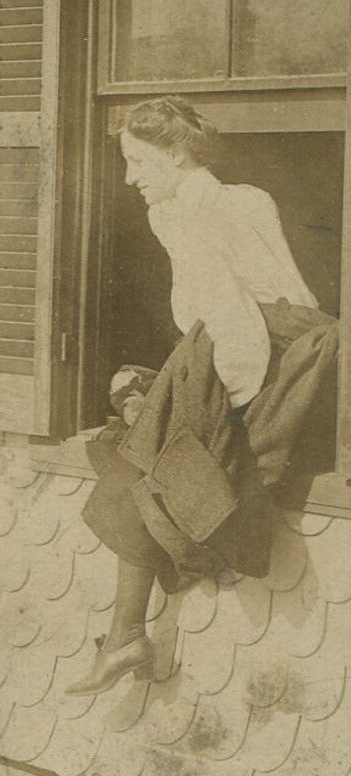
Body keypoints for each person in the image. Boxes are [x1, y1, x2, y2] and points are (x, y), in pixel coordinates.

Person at [66, 96, 339, 696]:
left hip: (267, 361)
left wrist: (228, 414)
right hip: (278, 348)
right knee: (144, 438)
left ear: (174, 154)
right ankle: (126, 635)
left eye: (138, 162)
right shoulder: (225, 199)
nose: (132, 177)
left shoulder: (196, 213)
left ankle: (125, 635)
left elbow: (235, 324)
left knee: (149, 456)